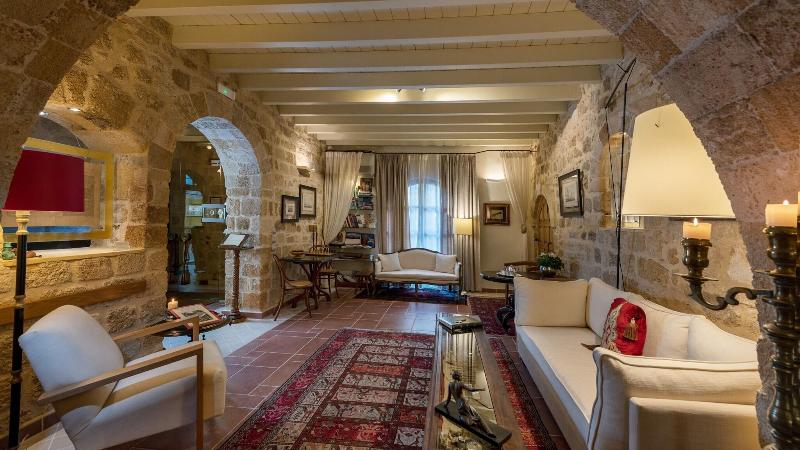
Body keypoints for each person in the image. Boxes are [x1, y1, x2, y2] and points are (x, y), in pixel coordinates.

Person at [445, 370, 495, 438]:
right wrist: (480, 389)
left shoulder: (450, 384)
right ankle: (488, 431)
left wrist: (445, 405)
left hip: (458, 406)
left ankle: (471, 421)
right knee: (477, 415)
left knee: (468, 415)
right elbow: (471, 389)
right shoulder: (460, 383)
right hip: (464, 404)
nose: (461, 376)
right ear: (457, 376)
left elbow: (448, 397)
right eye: (460, 375)